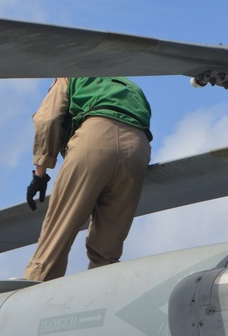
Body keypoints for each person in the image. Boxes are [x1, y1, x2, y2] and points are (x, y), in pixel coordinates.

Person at [24, 76, 152, 281]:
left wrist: (40, 174)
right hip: (138, 151)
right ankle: (103, 299)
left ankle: (33, 294)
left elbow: (47, 119)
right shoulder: (130, 86)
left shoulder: (70, 74)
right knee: (107, 252)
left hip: (94, 140)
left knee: (57, 237)